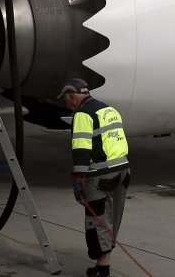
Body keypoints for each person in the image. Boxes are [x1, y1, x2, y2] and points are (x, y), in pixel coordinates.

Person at [60, 79, 131, 277]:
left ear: (72, 96)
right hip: (123, 171)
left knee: (97, 222)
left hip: (100, 175)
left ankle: (103, 273)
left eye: (66, 100)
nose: (66, 104)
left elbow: (82, 148)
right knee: (110, 222)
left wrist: (78, 177)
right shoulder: (108, 109)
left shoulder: (83, 114)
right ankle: (102, 267)